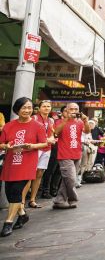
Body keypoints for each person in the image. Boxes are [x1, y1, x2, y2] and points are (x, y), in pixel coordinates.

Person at [0, 97, 48, 237]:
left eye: (29, 107)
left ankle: (8, 222)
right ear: (17, 109)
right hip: (11, 163)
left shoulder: (37, 126)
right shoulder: (9, 126)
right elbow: (2, 143)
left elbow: (44, 143)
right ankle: (22, 214)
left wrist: (32, 146)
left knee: (16, 191)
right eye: (24, 108)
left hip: (27, 163)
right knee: (10, 193)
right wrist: (6, 146)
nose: (27, 110)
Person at [52, 102, 90, 209]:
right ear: (66, 110)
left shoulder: (79, 122)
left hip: (77, 153)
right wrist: (65, 120)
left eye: (76, 109)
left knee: (67, 180)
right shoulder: (59, 121)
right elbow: (56, 133)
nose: (73, 111)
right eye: (71, 109)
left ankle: (59, 200)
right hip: (64, 154)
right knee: (71, 179)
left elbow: (87, 131)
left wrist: (86, 120)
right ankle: (73, 198)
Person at [21, 100, 56, 208]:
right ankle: (21, 201)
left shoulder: (51, 120)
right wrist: (46, 139)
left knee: (40, 173)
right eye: (44, 106)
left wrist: (52, 139)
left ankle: (32, 199)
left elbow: (52, 134)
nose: (46, 108)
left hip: (47, 148)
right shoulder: (35, 118)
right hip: (36, 148)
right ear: (39, 108)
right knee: (30, 174)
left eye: (48, 106)